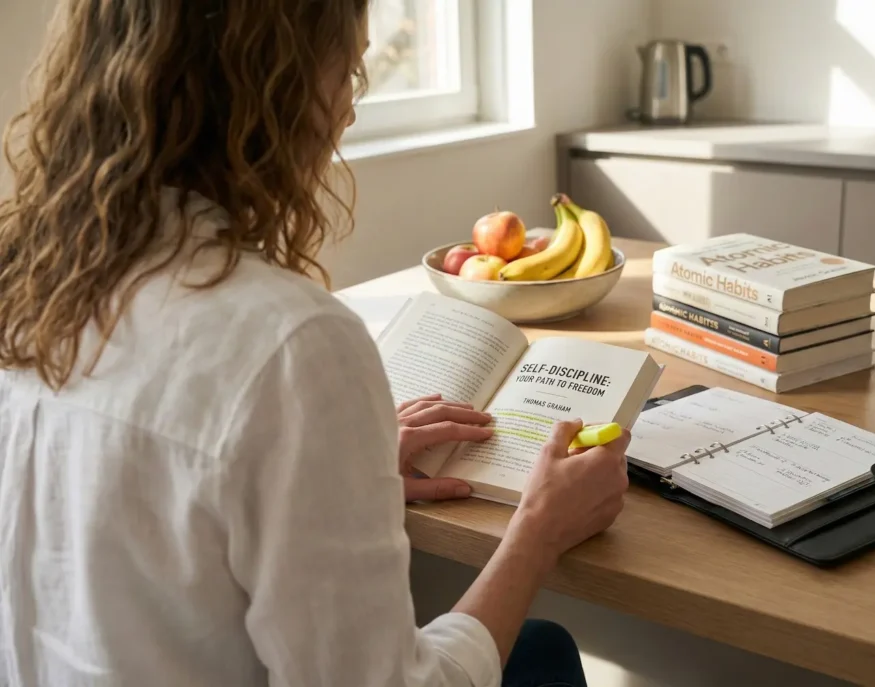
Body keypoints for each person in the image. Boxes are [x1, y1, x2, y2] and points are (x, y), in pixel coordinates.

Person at [0, 2, 631, 686]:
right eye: (347, 73)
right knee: (544, 652)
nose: (349, 113)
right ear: (274, 89)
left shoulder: (30, 280)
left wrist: (322, 470)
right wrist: (536, 531)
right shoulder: (294, 343)